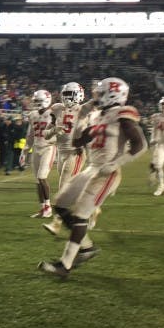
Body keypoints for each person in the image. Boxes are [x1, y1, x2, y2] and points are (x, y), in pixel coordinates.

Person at [39, 77, 146, 277]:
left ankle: (65, 265)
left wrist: (115, 163)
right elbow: (77, 142)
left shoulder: (123, 114)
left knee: (80, 214)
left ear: (112, 93)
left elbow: (140, 144)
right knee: (61, 205)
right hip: (91, 168)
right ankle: (87, 247)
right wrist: (82, 117)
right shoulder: (98, 116)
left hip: (108, 172)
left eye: (100, 92)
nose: (96, 96)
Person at [43, 82, 97, 236]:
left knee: (63, 187)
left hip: (76, 152)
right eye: (65, 94)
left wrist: (99, 91)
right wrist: (55, 129)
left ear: (78, 95)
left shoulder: (82, 109)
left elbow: (95, 102)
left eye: (70, 95)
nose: (66, 98)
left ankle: (56, 223)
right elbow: (46, 135)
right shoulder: (57, 109)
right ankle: (94, 209)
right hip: (61, 152)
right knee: (73, 189)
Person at [25, 89, 60, 218]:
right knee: (37, 181)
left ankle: (48, 207)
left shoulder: (53, 114)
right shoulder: (32, 115)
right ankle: (43, 208)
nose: (37, 104)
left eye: (39, 101)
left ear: (46, 100)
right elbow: (30, 134)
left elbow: (59, 132)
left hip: (48, 148)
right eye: (36, 101)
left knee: (42, 177)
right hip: (36, 148)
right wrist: (24, 151)